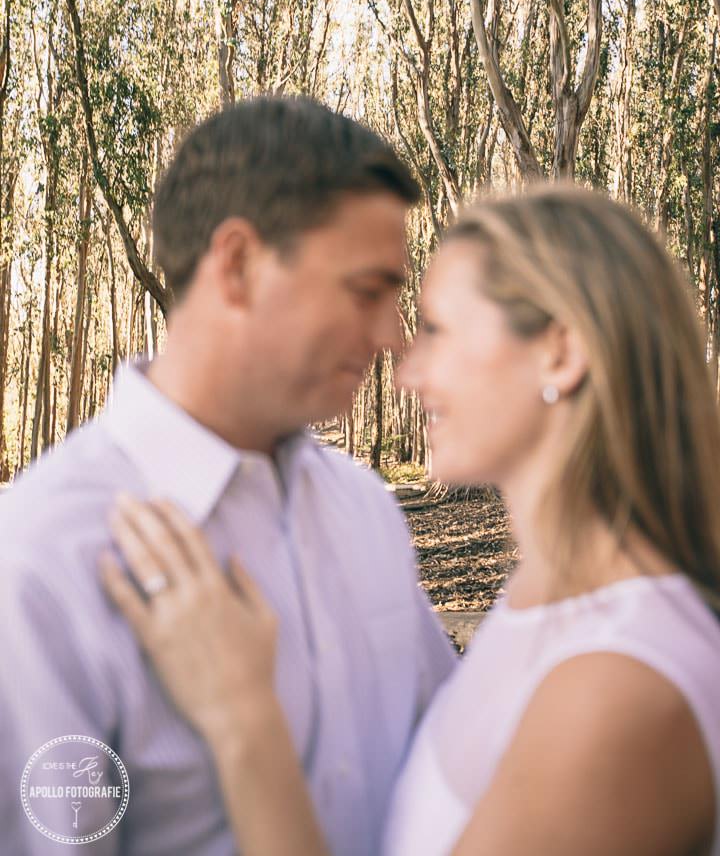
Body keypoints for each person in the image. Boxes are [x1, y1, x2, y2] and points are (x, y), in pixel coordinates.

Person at [103, 183, 720, 855]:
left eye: (438, 331)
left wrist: (242, 720)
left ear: (561, 353)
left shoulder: (616, 690)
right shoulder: (543, 600)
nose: (406, 373)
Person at [0, 96, 457, 855]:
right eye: (367, 291)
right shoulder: (41, 560)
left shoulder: (366, 508)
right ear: (238, 265)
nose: (391, 337)